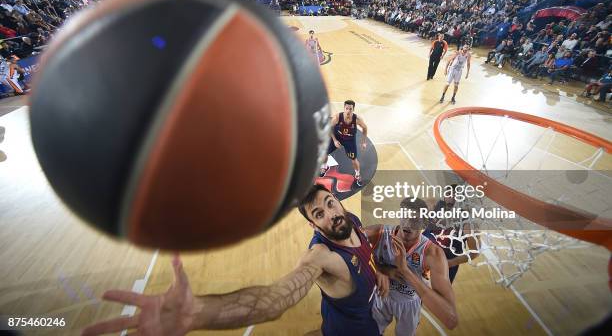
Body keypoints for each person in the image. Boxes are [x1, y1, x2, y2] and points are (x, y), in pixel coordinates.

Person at [82, 185, 390, 336]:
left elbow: (363, 236)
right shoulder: (323, 257)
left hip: (350, 321)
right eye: (319, 214)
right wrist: (199, 313)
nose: (331, 214)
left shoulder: (348, 219)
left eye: (329, 203)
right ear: (313, 225)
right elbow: (275, 300)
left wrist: (383, 269)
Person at [368, 198, 458, 336]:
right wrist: (381, 270)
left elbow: (451, 319)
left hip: (410, 303)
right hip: (381, 296)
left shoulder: (432, 253)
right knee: (370, 332)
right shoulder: (378, 234)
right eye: (405, 216)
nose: (408, 224)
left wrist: (405, 271)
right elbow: (349, 251)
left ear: (424, 224)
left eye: (415, 220)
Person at [423, 186, 480, 284]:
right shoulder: (434, 205)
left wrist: (450, 263)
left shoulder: (468, 224)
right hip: (423, 253)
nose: (452, 198)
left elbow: (474, 252)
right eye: (449, 194)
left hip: (445, 263)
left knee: (439, 295)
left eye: (457, 196)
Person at [321, 100, 368, 187]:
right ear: (344, 108)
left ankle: (357, 175)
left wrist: (363, 141)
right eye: (347, 108)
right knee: (324, 153)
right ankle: (324, 166)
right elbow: (329, 128)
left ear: (353, 109)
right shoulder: (338, 117)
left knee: (353, 159)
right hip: (337, 136)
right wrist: (334, 140)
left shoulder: (357, 119)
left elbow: (365, 128)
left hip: (349, 140)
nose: (348, 111)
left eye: (350, 109)